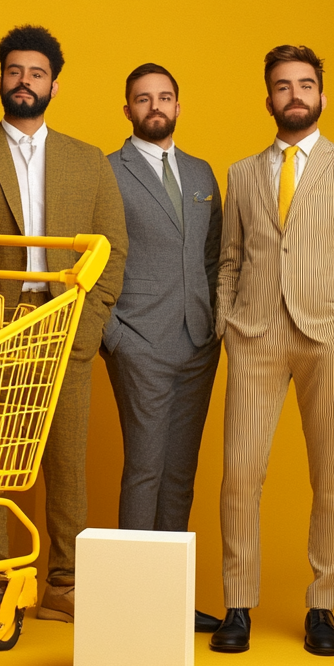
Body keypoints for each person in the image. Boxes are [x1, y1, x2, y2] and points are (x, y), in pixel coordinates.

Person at [209, 46, 334, 656]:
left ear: (322, 96)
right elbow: (228, 260)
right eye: (282, 86)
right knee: (239, 474)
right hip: (256, 335)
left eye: (305, 85)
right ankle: (238, 603)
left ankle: (322, 606)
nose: (294, 95)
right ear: (268, 99)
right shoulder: (241, 173)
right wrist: (229, 324)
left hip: (329, 338)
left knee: (331, 475)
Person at [0, 25, 127, 632]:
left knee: (66, 463)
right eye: (14, 72)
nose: (24, 82)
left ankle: (64, 582)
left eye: (36, 73)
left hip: (64, 329)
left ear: (54, 83)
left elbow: (114, 250)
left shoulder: (88, 159)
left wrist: (88, 324)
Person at [103, 63, 224, 633]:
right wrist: (117, 339)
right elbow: (92, 264)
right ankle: (131, 606)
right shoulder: (110, 172)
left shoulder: (201, 172)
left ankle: (171, 600)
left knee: (180, 472)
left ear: (179, 105)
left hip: (199, 342)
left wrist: (215, 325)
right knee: (145, 468)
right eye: (143, 99)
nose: (156, 106)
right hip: (140, 341)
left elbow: (211, 257)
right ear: (127, 109)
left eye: (165, 97)